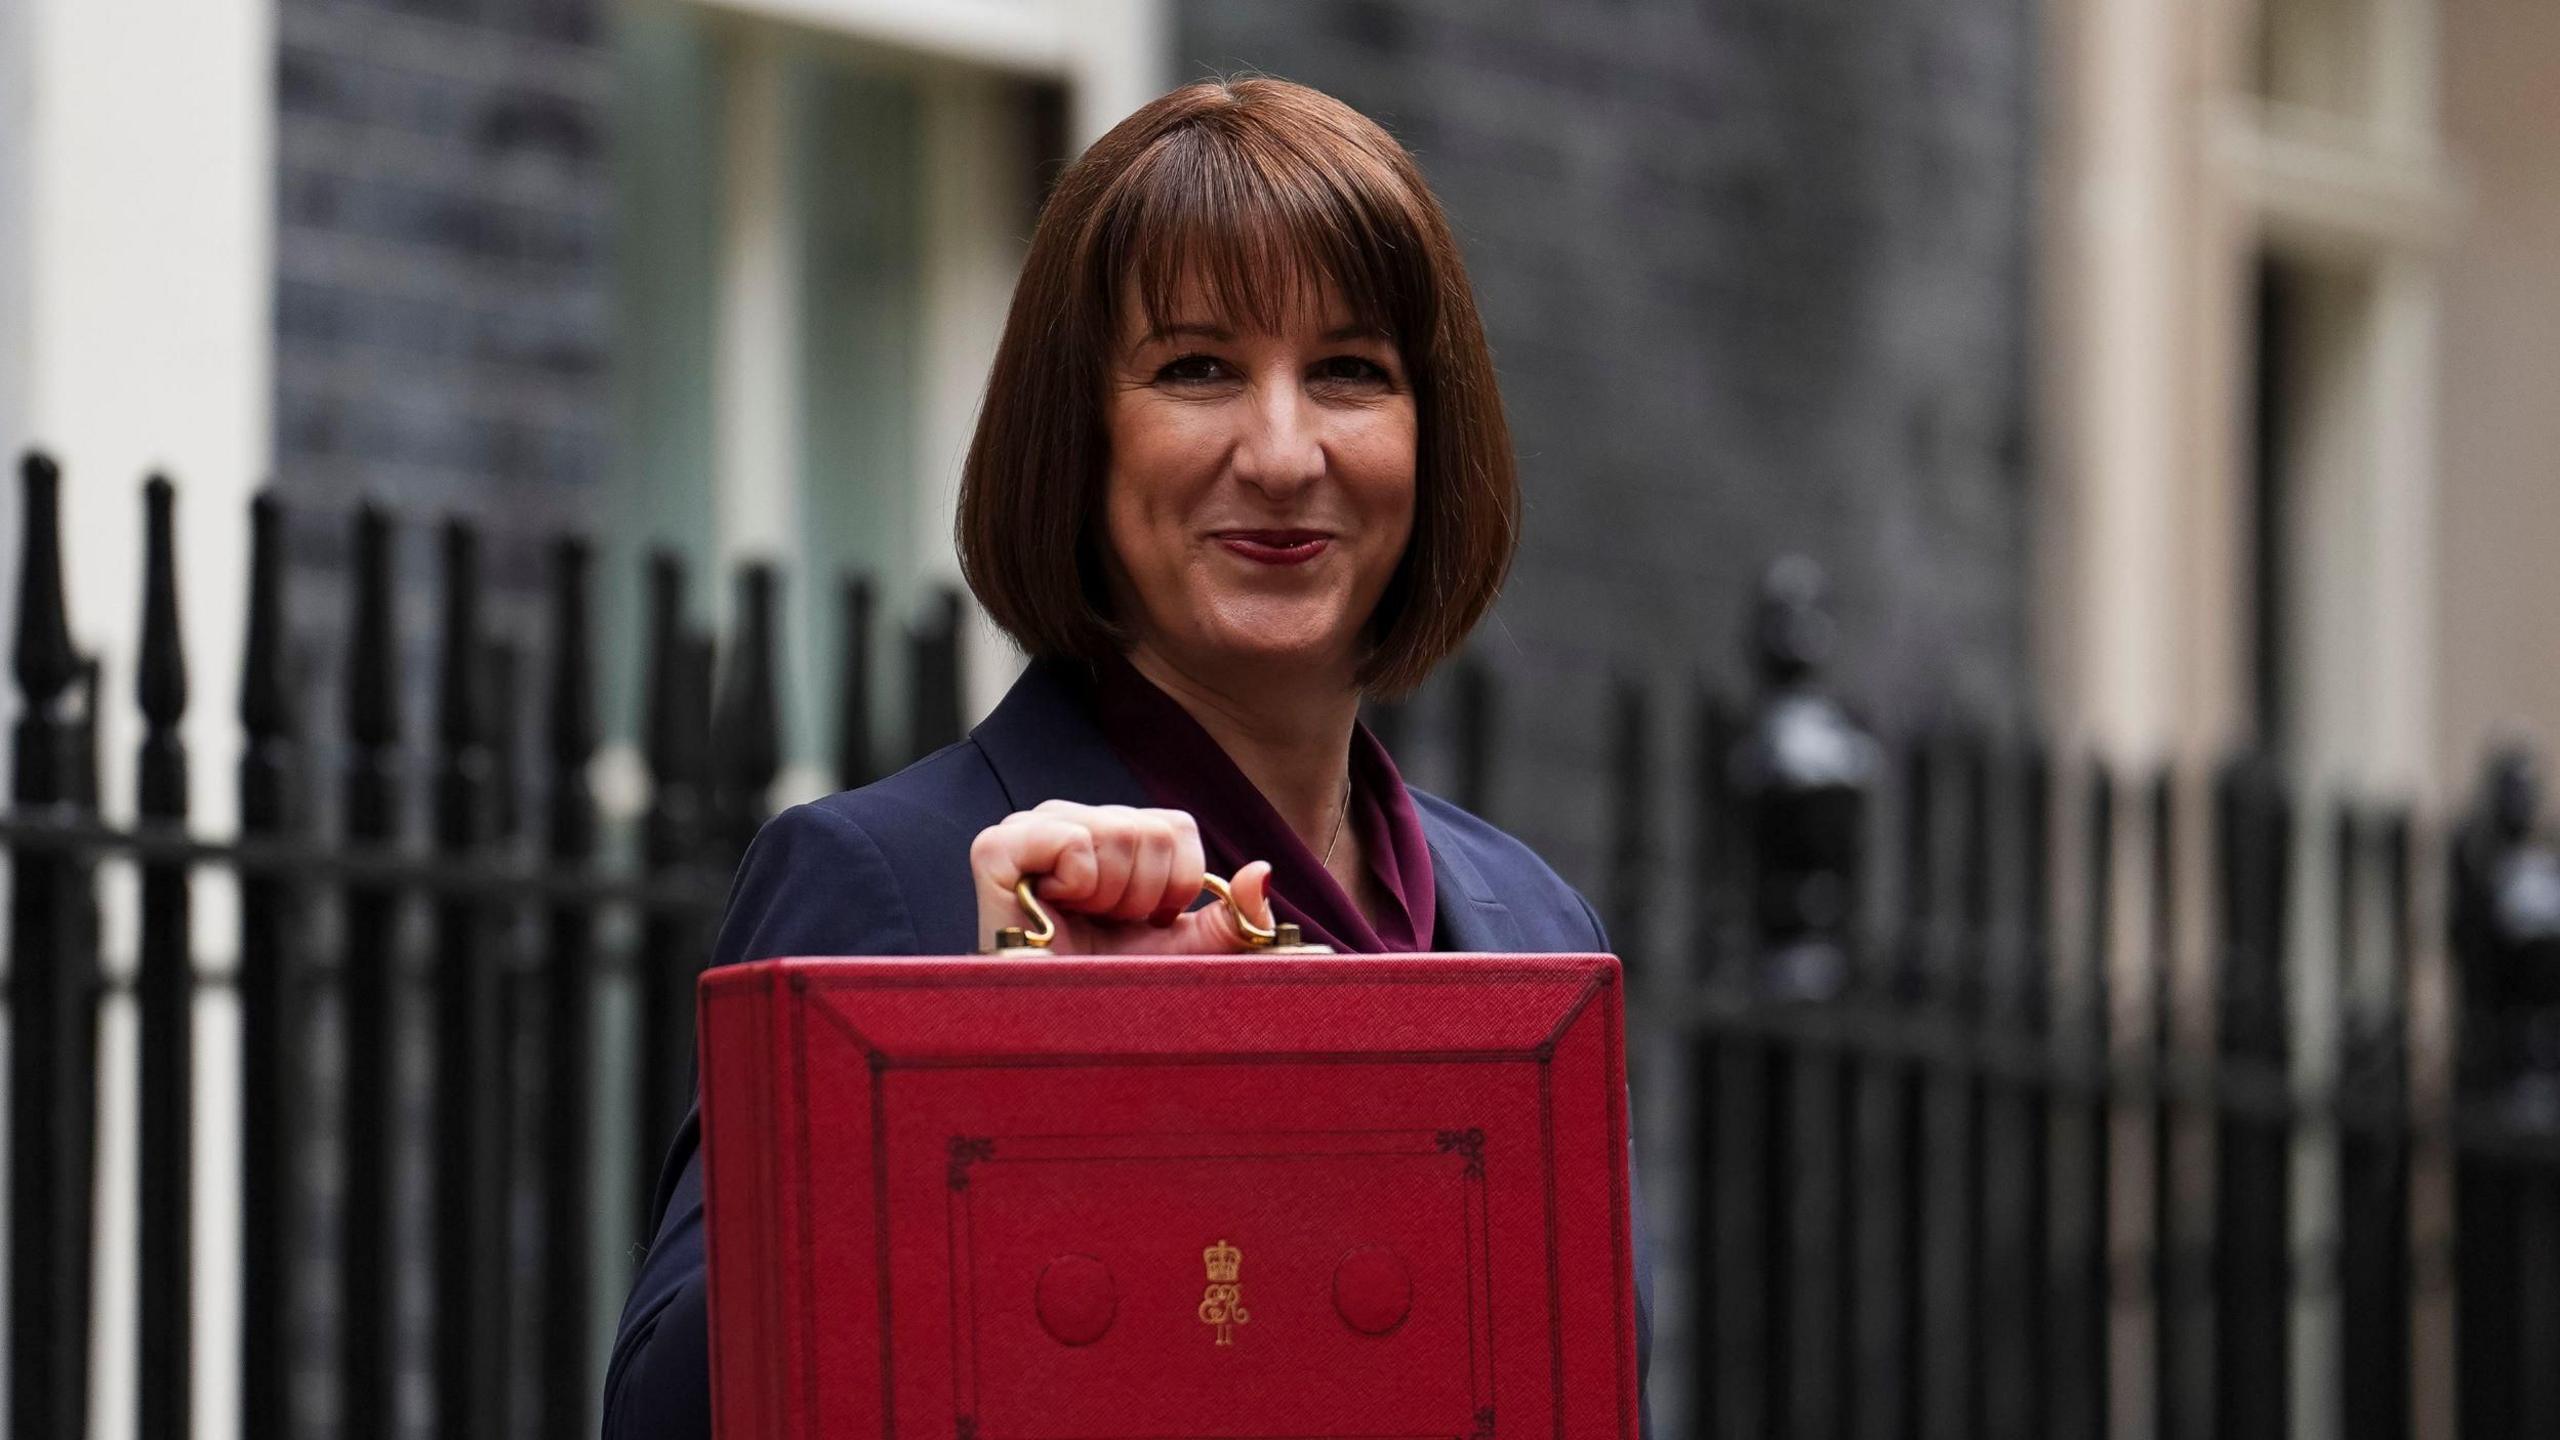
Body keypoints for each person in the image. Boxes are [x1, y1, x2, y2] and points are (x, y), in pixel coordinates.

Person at [603, 74, 1654, 1436]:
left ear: (1429, 438)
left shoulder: (1531, 923)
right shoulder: (882, 883)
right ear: (1080, 444)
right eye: (1196, 368)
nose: (1282, 454)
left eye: (1350, 371)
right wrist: (1009, 1062)